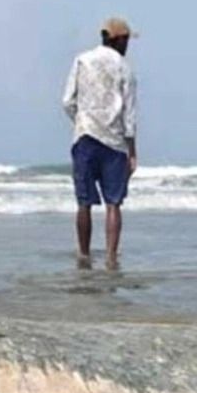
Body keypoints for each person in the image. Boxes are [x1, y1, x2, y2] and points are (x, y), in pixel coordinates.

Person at [61, 17, 139, 269]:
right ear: (118, 39)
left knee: (83, 202)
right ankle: (110, 257)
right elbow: (129, 113)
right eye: (127, 40)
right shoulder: (125, 68)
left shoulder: (82, 60)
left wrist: (82, 121)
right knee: (113, 203)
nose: (128, 45)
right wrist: (132, 150)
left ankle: (84, 255)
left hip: (85, 137)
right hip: (115, 143)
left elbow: (67, 101)